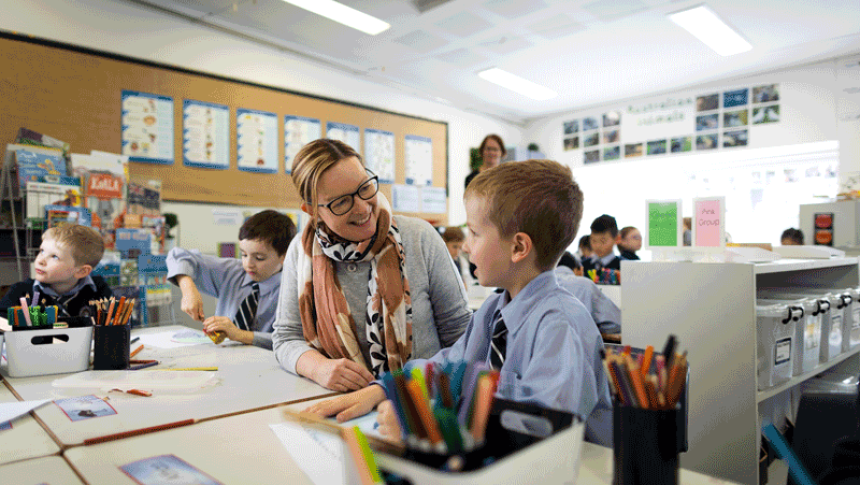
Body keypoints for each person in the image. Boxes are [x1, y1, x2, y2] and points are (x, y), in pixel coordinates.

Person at [306, 159, 613, 447]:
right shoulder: (493, 312)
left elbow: (543, 425)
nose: (465, 246)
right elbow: (447, 366)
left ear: (518, 247)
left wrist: (430, 430)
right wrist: (384, 389)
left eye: (475, 234)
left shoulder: (561, 323)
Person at [272, 139, 471, 392]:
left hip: (422, 402)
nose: (363, 207)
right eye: (341, 202)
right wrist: (319, 368)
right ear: (312, 210)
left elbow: (463, 334)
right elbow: (286, 338)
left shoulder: (418, 237)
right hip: (339, 404)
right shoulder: (301, 254)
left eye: (365, 188)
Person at [167, 210, 296, 349]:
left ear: (285, 256)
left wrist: (239, 334)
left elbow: (292, 340)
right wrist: (188, 289)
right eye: (244, 254)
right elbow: (178, 255)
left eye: (259, 258)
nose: (248, 264)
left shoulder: (295, 290)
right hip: (222, 361)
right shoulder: (232, 271)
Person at [0, 224, 112, 318]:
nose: (40, 260)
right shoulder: (21, 291)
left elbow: (124, 323)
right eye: (42, 251)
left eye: (54, 257)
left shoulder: (98, 289)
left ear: (82, 271)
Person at [555, 264, 621, 335]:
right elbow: (616, 322)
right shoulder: (585, 283)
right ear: (579, 269)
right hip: (581, 341)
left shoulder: (545, 283)